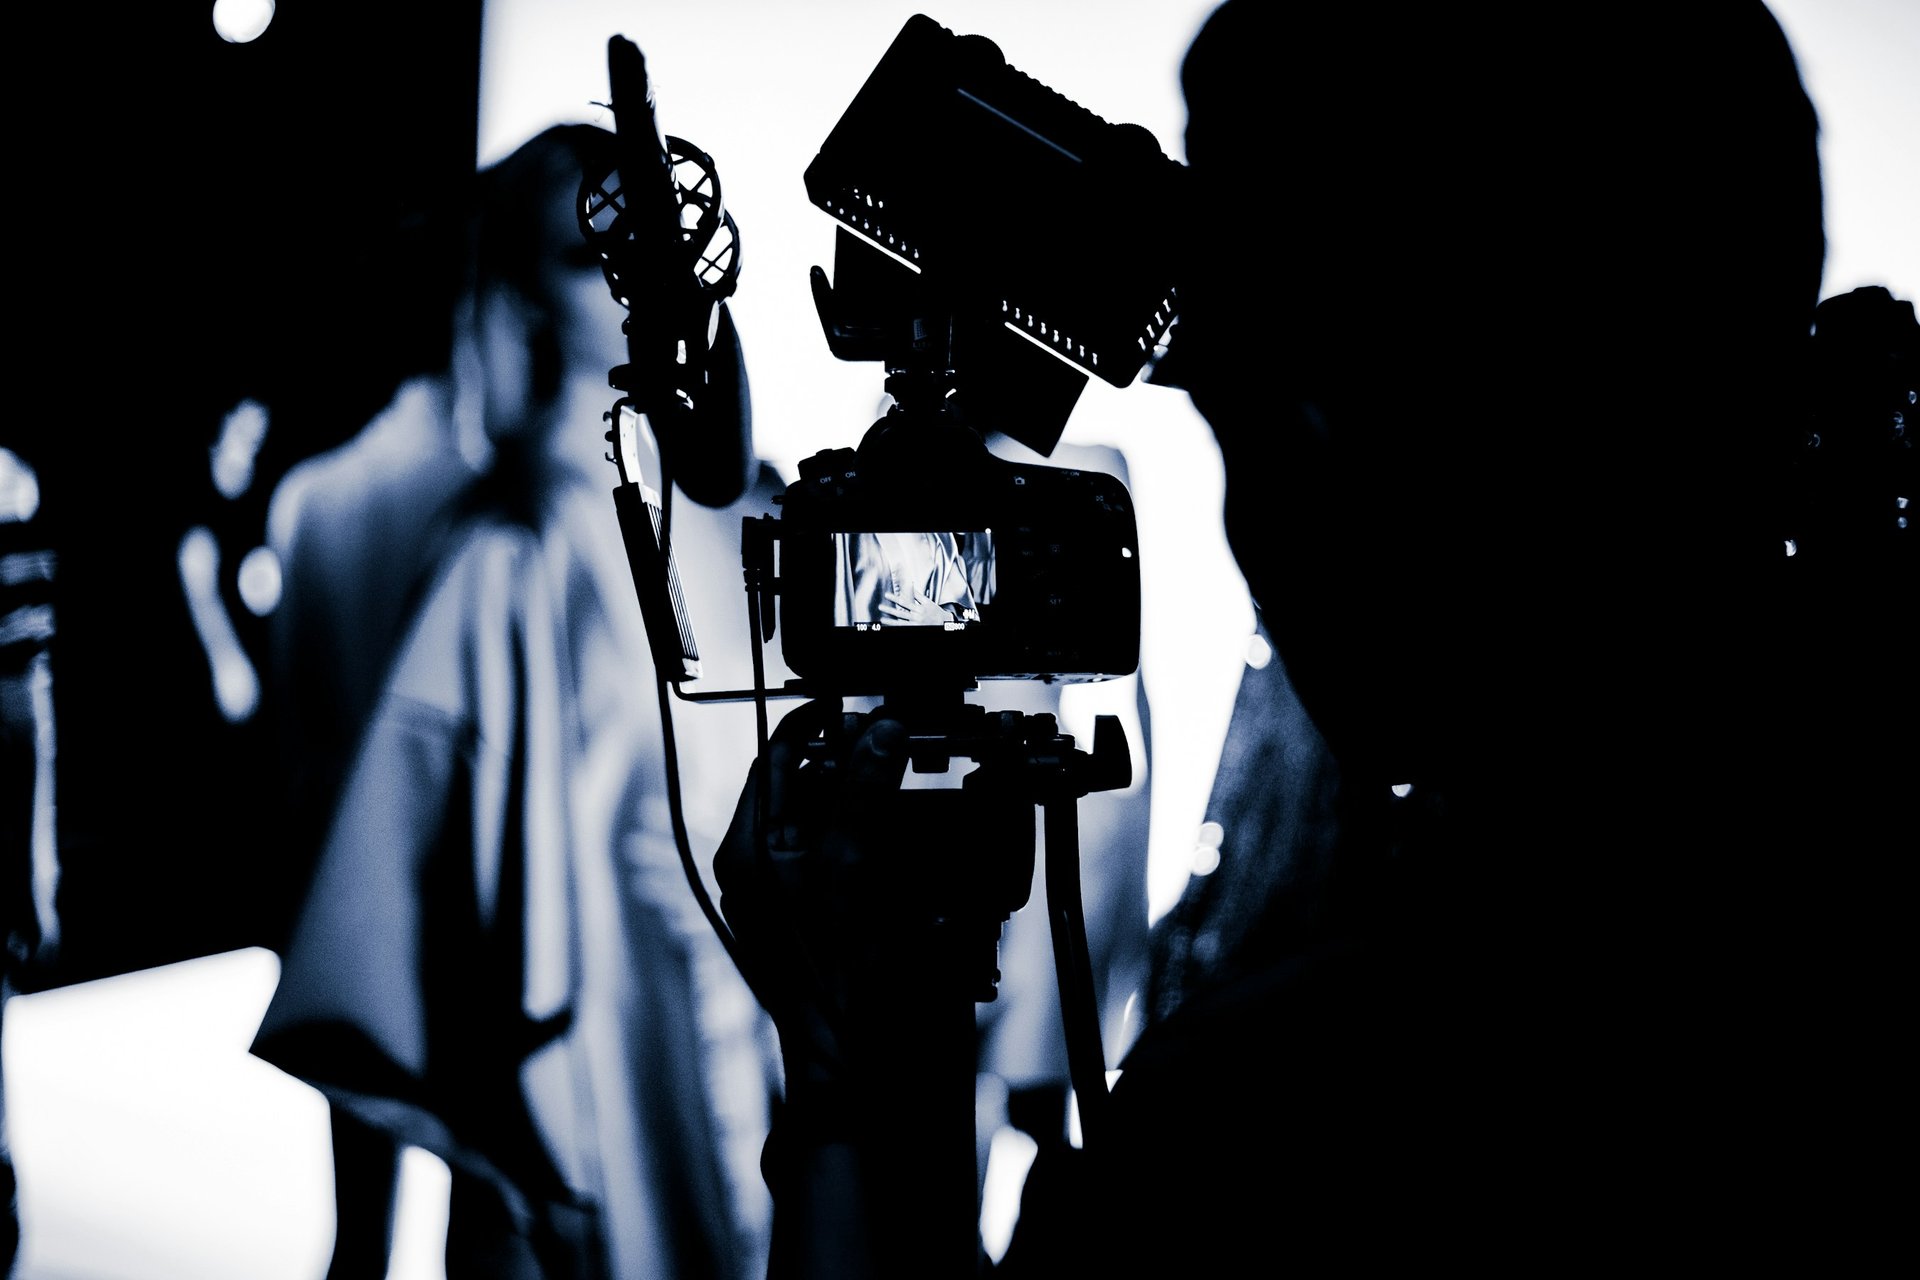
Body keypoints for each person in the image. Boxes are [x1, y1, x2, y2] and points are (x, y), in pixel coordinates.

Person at [708, 3, 1904, 1274]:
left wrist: (858, 1075)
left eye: (1247, 426)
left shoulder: (1267, 1138)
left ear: (1334, 453)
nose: (1251, 530)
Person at [251, 122, 779, 1279]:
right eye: (592, 257)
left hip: (761, 1032)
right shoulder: (507, 557)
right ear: (523, 292)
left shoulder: (754, 513)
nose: (638, 281)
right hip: (601, 1050)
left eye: (653, 245)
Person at [834, 529, 989, 627]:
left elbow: (966, 613)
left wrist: (945, 620)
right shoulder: (846, 537)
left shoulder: (941, 536)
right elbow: (840, 606)